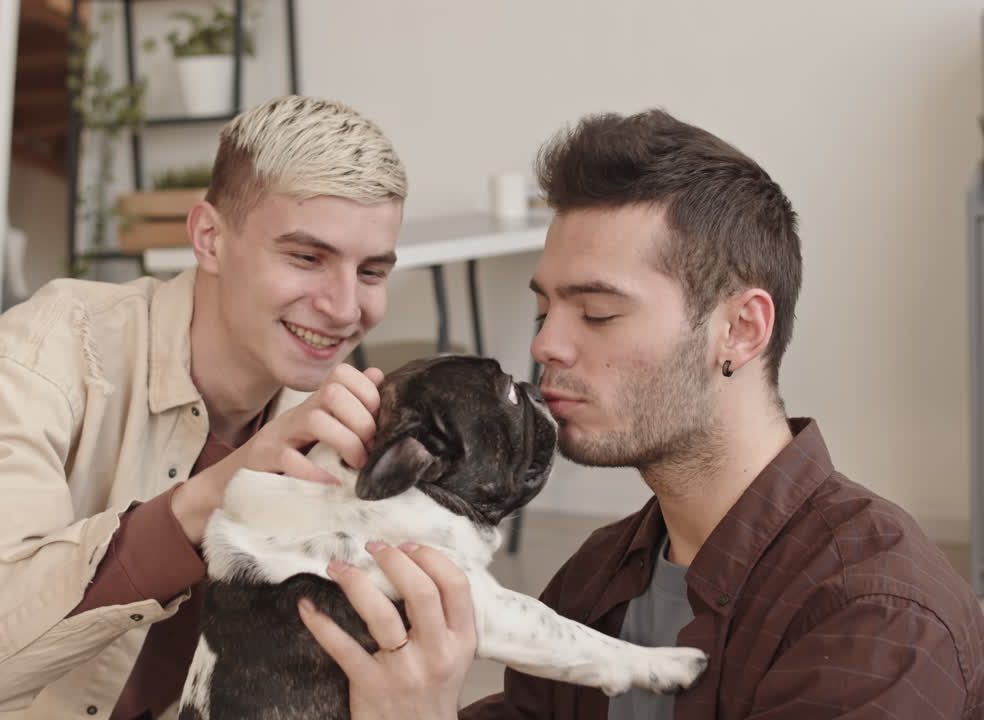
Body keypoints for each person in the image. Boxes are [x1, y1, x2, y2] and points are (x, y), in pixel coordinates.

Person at [300, 108, 984, 719]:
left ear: (741, 331)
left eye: (598, 312)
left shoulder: (874, 617)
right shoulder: (600, 575)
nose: (545, 344)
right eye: (545, 311)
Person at [0, 94, 407, 720]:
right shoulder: (51, 347)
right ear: (210, 238)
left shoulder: (331, 420)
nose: (345, 306)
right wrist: (215, 491)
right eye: (307, 257)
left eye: (372, 272)